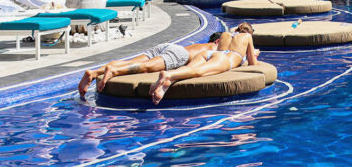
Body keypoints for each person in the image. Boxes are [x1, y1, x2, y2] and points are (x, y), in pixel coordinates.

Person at [78, 33, 221, 98]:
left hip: (168, 46)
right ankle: (114, 71)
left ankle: (94, 72)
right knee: (145, 67)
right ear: (217, 41)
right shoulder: (214, 48)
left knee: (132, 62)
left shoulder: (200, 45)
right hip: (179, 54)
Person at [149, 22, 259, 105]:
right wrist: (254, 54)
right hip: (224, 59)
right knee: (197, 72)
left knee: (188, 69)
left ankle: (165, 85)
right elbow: (252, 63)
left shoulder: (225, 34)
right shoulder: (247, 37)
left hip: (208, 54)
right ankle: (168, 75)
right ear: (249, 32)